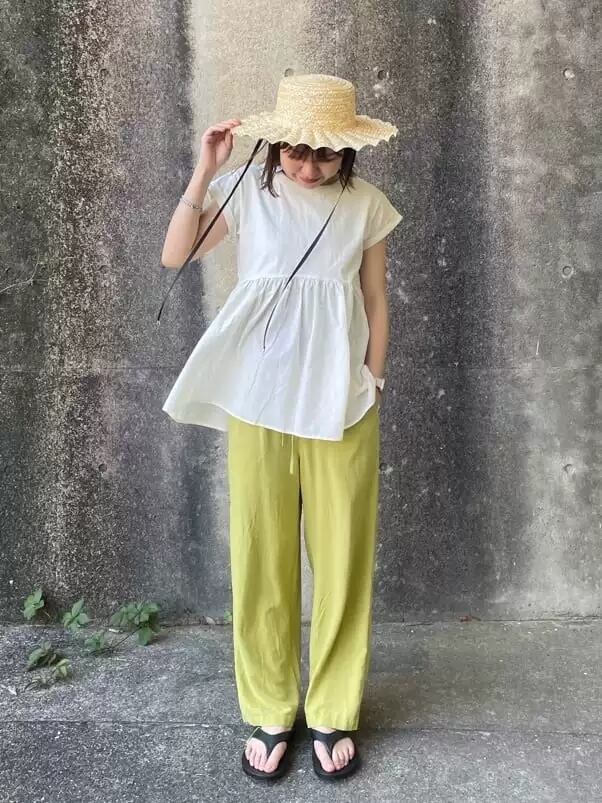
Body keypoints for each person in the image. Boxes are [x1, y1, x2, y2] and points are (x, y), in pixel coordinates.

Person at [160, 73, 402, 781]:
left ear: (346, 152)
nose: (308, 167)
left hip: (341, 400)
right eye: (297, 151)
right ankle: (270, 705)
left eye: (325, 155)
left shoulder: (367, 205)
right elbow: (176, 254)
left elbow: (375, 298)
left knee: (344, 555)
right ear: (276, 146)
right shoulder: (247, 190)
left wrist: (373, 380)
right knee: (260, 551)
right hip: (259, 396)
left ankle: (333, 707)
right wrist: (205, 167)